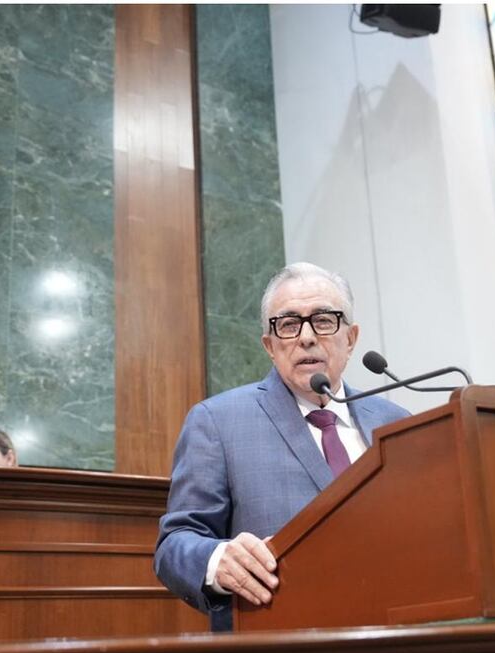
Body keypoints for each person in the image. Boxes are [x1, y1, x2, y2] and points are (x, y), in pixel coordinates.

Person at [154, 262, 411, 631]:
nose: (306, 337)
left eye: (324, 320)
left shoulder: (396, 421)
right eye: (288, 325)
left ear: (351, 338)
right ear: (270, 346)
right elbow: (174, 546)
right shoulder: (217, 421)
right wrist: (218, 558)